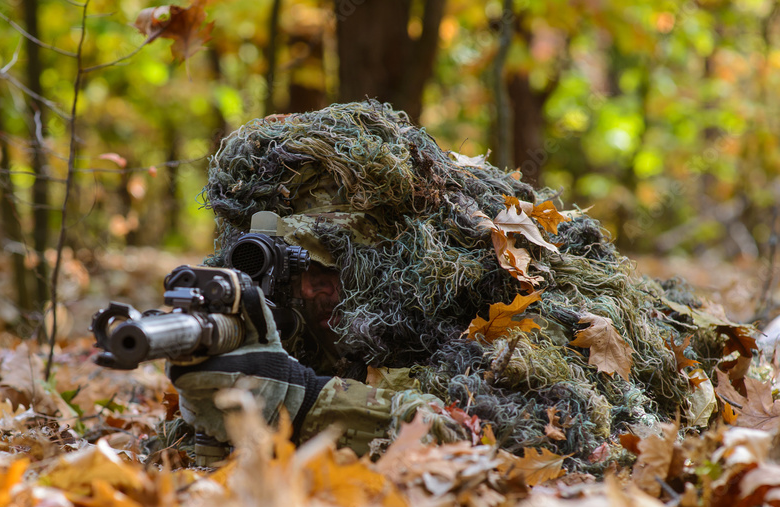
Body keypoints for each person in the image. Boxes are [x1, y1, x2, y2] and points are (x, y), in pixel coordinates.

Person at [164, 101, 741, 466]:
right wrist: (216, 410)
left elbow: (538, 438)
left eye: (318, 267)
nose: (298, 291)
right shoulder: (293, 311)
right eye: (276, 268)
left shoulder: (487, 288)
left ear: (371, 254)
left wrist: (307, 403)